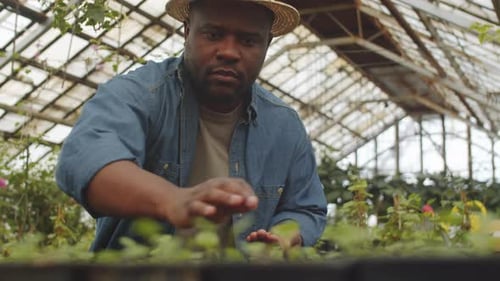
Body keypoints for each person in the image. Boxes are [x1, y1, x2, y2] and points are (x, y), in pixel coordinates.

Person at [56, 0, 327, 251]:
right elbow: (84, 161)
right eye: (213, 34)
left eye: (248, 40)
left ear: (267, 44)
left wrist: (284, 236)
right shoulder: (141, 95)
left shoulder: (283, 125)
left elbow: (305, 207)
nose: (229, 52)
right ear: (187, 31)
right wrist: (173, 200)